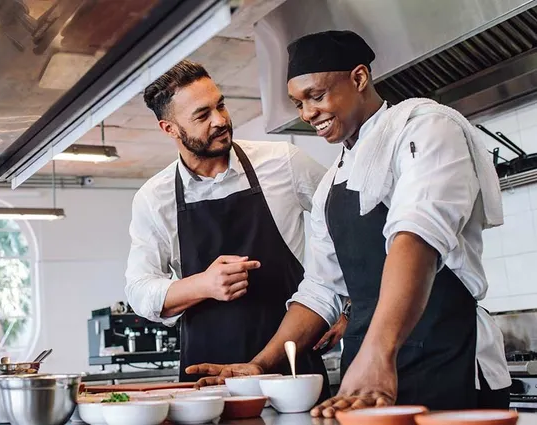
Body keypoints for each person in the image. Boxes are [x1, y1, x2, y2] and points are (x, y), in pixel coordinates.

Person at [185, 30, 511, 416]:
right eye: (298, 103)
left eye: (316, 96)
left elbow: (417, 238)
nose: (306, 114)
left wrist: (378, 351)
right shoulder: (331, 183)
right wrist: (261, 364)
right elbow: (321, 290)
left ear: (359, 78)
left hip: (447, 358)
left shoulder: (427, 128)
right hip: (366, 378)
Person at [124, 60, 333, 395]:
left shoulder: (284, 163)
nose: (220, 120)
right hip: (209, 382)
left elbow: (350, 228)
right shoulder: (154, 198)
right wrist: (204, 284)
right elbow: (138, 291)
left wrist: (345, 308)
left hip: (292, 371)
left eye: (220, 105)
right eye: (202, 115)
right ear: (170, 129)